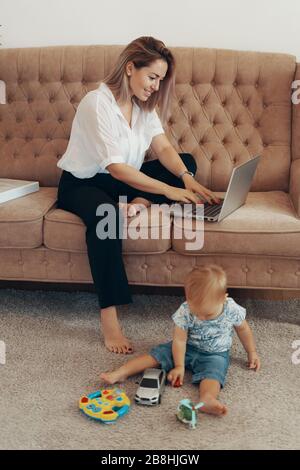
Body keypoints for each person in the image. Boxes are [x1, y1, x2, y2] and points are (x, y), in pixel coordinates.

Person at [56, 36, 220, 355]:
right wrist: (170, 190)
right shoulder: (97, 103)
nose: (156, 87)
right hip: (84, 184)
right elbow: (116, 168)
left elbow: (164, 148)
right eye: (152, 77)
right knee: (107, 218)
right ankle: (110, 319)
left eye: (160, 80)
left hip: (124, 183)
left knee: (185, 162)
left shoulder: (143, 106)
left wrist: (187, 180)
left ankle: (140, 201)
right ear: (131, 68)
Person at [100, 264, 261, 416]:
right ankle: (122, 372)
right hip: (186, 347)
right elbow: (179, 340)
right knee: (157, 355)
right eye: (196, 312)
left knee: (214, 374)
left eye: (207, 315)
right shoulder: (186, 310)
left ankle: (207, 398)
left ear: (223, 298)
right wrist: (179, 366)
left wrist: (251, 352)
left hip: (215, 353)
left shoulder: (231, 308)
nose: (200, 317)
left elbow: (243, 329)